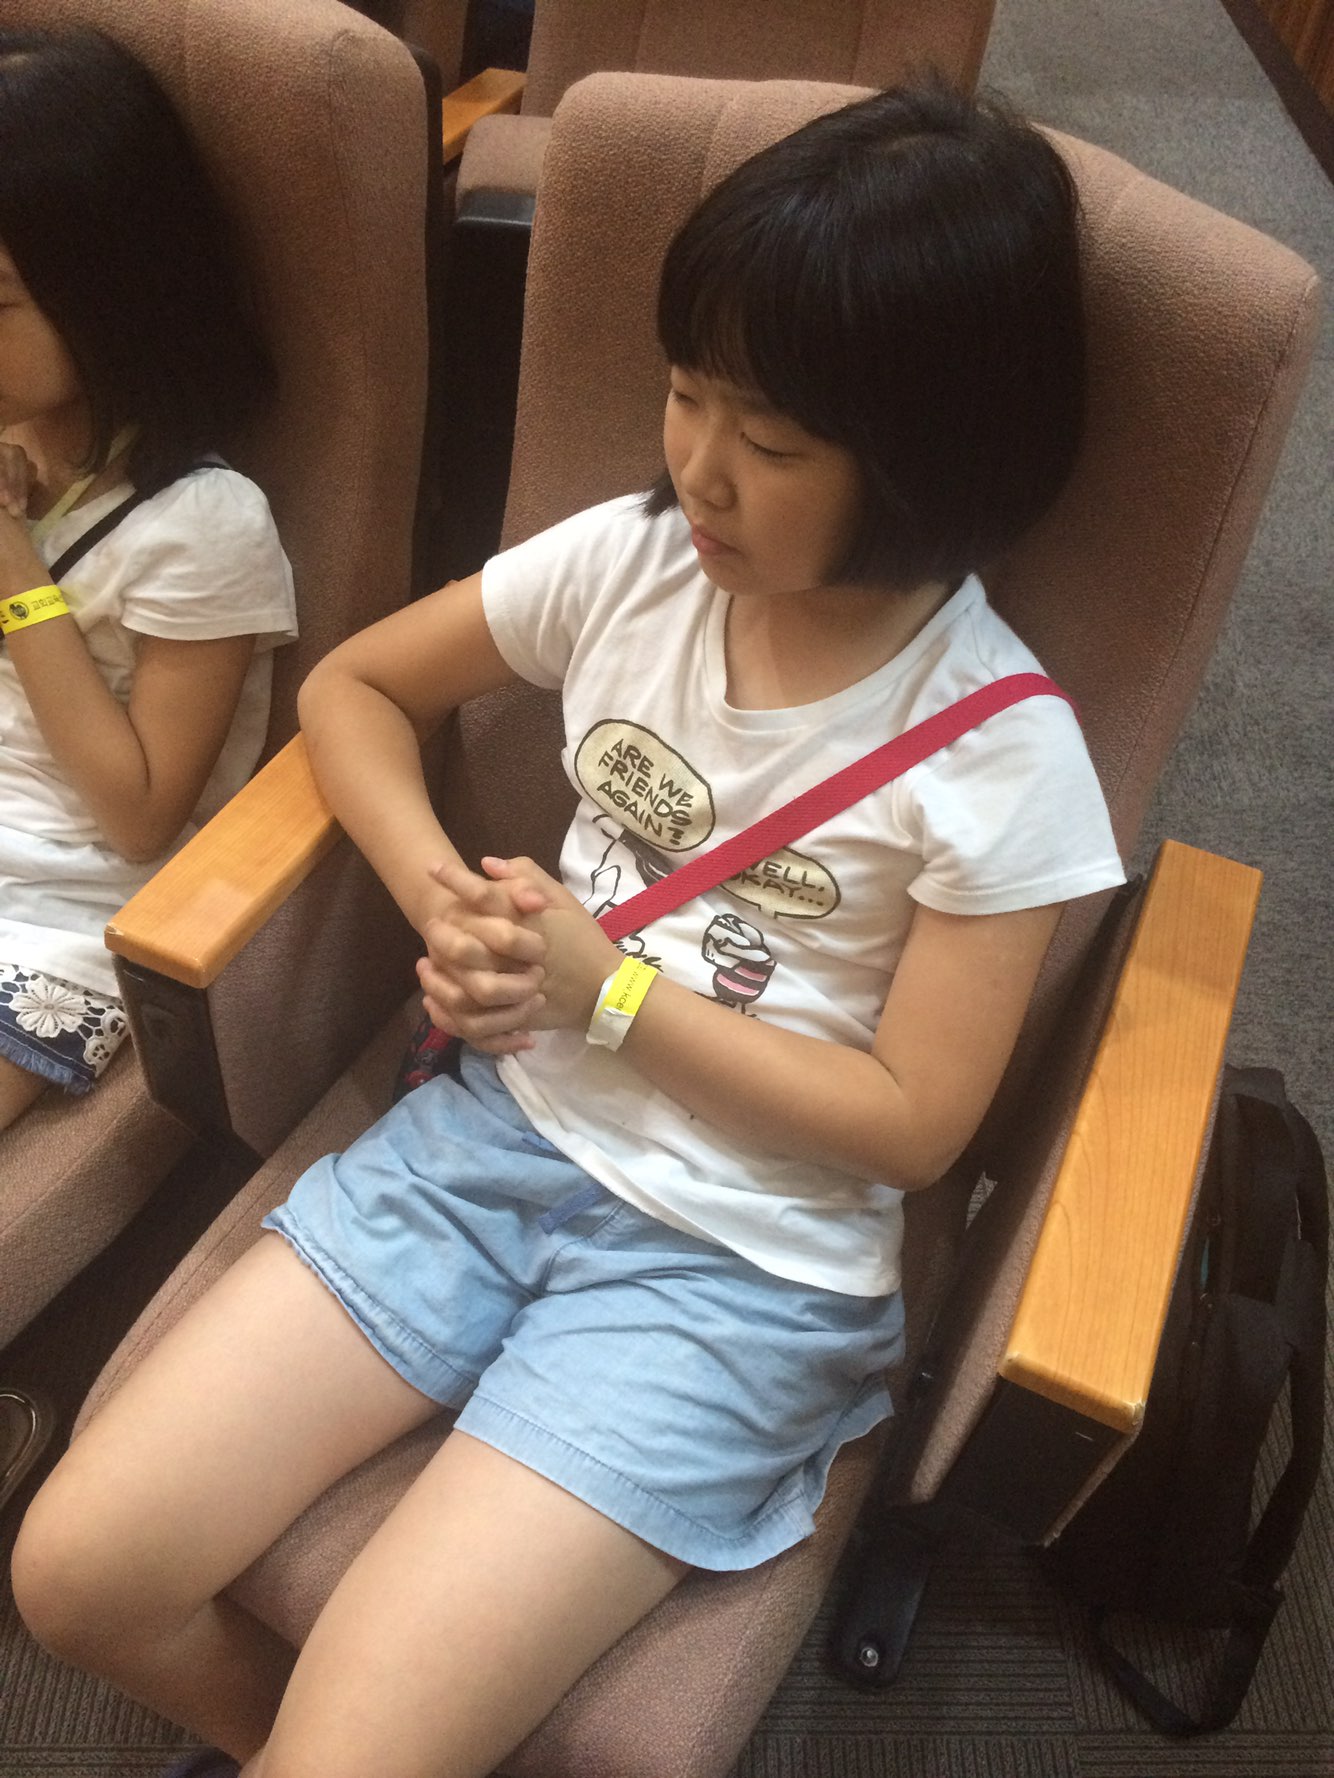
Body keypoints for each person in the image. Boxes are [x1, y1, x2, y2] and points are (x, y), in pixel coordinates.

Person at [13, 84, 1124, 1778]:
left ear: (931, 456)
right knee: (76, 1578)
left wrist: (605, 995)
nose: (697, 468)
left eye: (771, 442)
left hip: (738, 1268)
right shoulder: (637, 561)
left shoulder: (996, 752)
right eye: (686, 395)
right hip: (491, 1140)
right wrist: (439, 896)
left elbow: (913, 1126)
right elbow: (353, 688)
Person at [0, 26, 296, 1133]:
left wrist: (13, 563)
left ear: (107, 291)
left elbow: (138, 812)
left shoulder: (203, 525)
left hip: (56, 919)